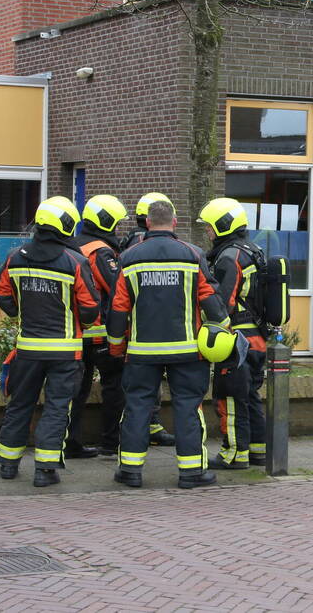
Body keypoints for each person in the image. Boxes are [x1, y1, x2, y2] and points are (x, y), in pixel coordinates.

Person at [107, 199, 230, 489]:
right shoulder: (192, 254)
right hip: (187, 351)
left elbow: (118, 309)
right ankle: (191, 473)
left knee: (137, 408)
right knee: (189, 408)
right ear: (174, 223)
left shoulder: (129, 257)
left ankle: (130, 471)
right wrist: (223, 331)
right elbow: (211, 302)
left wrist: (115, 348)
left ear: (147, 223)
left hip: (141, 352)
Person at [0, 196, 100, 487]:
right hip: (65, 352)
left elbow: (2, 293)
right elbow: (90, 308)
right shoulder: (75, 262)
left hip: (27, 349)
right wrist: (81, 321)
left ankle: (7, 463)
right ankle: (45, 469)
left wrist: (19, 312)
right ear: (65, 225)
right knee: (57, 407)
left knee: (20, 403)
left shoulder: (16, 257)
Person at [198, 197, 268, 469]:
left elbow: (222, 304)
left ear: (223, 225)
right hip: (256, 338)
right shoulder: (253, 250)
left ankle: (234, 454)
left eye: (210, 227)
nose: (208, 232)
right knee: (250, 397)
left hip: (237, 340)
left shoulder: (230, 257)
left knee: (230, 399)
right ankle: (258, 451)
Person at [66, 195, 130, 459]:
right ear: (106, 222)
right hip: (100, 334)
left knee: (76, 392)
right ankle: (111, 442)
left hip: (75, 333)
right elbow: (116, 289)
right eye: (115, 223)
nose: (117, 229)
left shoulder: (72, 245)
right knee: (115, 388)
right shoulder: (100, 251)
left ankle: (70, 443)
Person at [117, 191, 177, 447]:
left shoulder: (129, 248)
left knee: (139, 395)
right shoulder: (185, 252)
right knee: (152, 393)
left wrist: (116, 341)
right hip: (172, 335)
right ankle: (151, 429)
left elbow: (120, 300)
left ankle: (134, 456)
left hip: (139, 335)